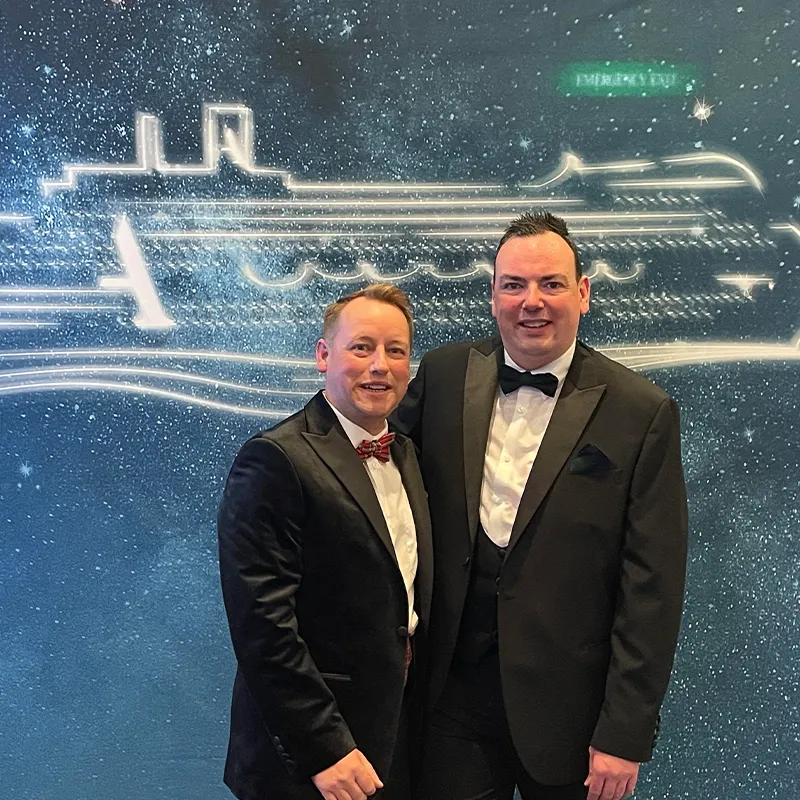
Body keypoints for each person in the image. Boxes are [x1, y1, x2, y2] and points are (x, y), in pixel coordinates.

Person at [392, 212, 688, 800]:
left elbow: (651, 588)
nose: (532, 302)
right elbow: (381, 490)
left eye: (551, 284)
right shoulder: (444, 373)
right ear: (493, 292)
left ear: (583, 293)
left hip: (571, 720)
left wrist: (624, 734)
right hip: (450, 699)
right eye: (514, 284)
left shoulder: (641, 411)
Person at [218, 283, 432, 800]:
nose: (379, 364)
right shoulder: (275, 459)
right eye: (362, 347)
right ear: (323, 355)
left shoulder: (405, 453)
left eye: (395, 350)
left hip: (392, 741)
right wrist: (324, 750)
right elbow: (264, 628)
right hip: (307, 762)